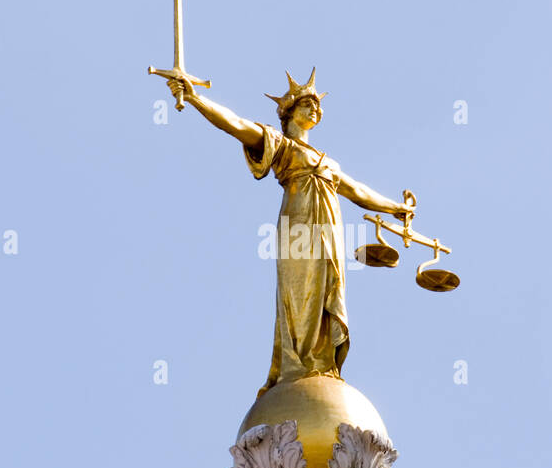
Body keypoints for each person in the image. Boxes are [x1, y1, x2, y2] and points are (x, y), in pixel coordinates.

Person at [166, 67, 411, 393]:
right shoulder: (281, 145)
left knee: (327, 291)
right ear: (290, 112)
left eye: (318, 106)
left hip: (329, 230)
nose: (316, 110)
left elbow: (358, 191)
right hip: (298, 227)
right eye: (308, 105)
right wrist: (196, 97)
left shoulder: (329, 163)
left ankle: (321, 363)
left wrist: (395, 207)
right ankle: (298, 365)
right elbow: (235, 124)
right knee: (301, 295)